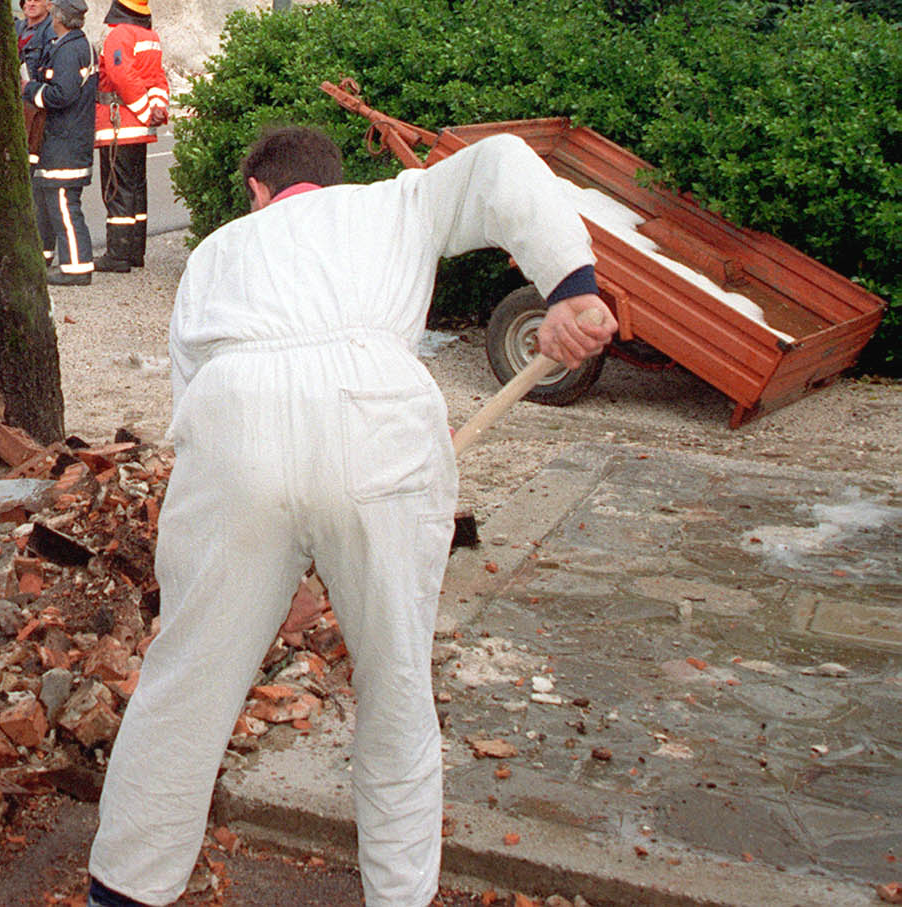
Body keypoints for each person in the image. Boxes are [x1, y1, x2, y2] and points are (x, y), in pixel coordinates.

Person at [87, 126, 614, 907]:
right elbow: (501, 164)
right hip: (379, 423)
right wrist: (570, 284)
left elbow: (195, 413)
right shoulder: (395, 203)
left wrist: (261, 572)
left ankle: (122, 894)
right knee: (396, 692)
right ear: (330, 179)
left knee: (186, 682)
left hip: (236, 423)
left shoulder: (217, 253)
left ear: (258, 191)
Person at [91, 0, 169, 273]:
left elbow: (122, 76)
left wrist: (143, 110)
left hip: (119, 126)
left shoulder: (118, 35)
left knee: (117, 189)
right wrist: (156, 109)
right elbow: (158, 79)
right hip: (139, 129)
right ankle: (135, 252)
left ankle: (118, 255)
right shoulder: (151, 37)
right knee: (136, 189)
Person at [25, 0, 96, 285]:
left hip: (65, 140)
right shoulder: (75, 45)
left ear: (60, 18)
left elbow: (61, 95)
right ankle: (45, 258)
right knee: (48, 203)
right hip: (65, 139)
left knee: (65, 206)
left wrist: (30, 89)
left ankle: (77, 268)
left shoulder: (69, 51)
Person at [15, 0, 55, 77]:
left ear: (49, 6)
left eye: (37, 0)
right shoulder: (16, 27)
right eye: (29, 0)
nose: (31, 4)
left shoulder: (52, 33)